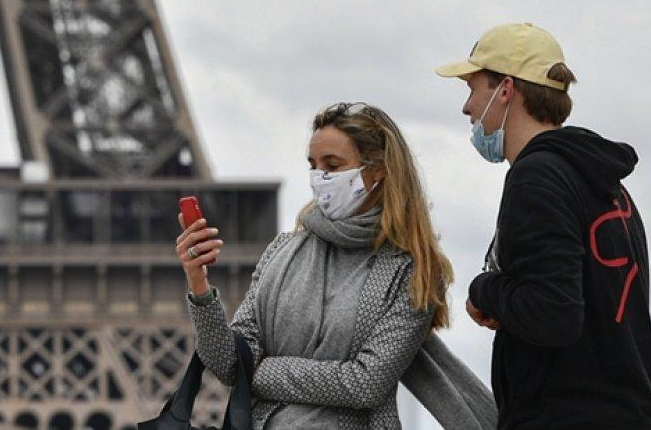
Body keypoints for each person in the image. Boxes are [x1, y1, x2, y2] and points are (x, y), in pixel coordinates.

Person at [175, 102, 493, 429]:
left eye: (333, 165)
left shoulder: (410, 271)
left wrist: (264, 370)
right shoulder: (281, 251)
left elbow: (366, 384)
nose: (319, 177)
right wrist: (199, 286)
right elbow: (231, 366)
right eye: (313, 165)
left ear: (377, 169)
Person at [435, 23, 651, 429]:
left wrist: (484, 291)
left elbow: (553, 314)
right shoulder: (608, 185)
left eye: (473, 89)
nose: (467, 108)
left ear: (506, 90)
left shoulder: (536, 177)